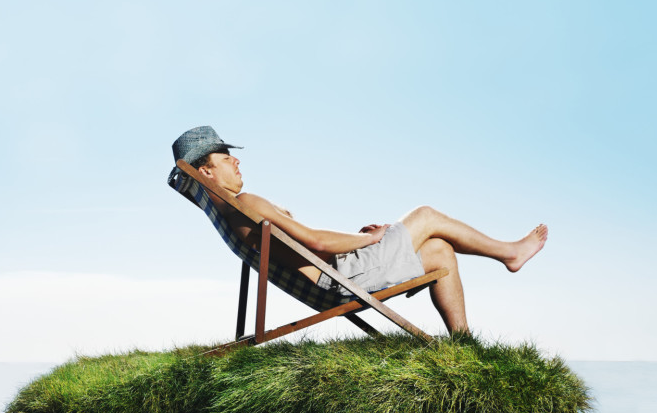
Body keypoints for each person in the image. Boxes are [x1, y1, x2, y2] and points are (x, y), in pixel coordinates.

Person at [170, 126, 548, 334]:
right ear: (205, 171)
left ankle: (463, 345)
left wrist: (363, 241)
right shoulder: (248, 203)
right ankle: (509, 253)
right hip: (339, 281)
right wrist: (371, 239)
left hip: (334, 277)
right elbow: (316, 242)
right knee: (427, 214)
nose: (235, 160)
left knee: (438, 250)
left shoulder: (228, 212)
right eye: (225, 157)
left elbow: (307, 245)